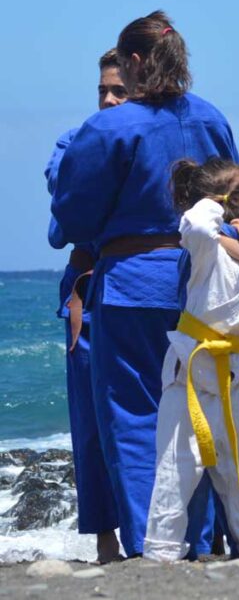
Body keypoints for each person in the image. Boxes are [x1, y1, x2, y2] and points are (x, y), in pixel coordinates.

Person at [50, 11, 239, 557]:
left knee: (135, 421)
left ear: (134, 64)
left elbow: (72, 219)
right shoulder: (211, 119)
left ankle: (151, 549)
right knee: (197, 414)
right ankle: (200, 544)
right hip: (199, 281)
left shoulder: (108, 128)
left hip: (131, 284)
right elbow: (235, 198)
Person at [144, 159, 239, 561]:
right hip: (190, 374)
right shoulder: (207, 251)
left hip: (234, 377)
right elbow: (194, 224)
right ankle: (161, 551)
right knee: (176, 468)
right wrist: (217, 202)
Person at [43, 48, 127, 563]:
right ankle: (105, 539)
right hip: (89, 292)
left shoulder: (159, 138)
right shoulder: (73, 143)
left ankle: (167, 534)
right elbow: (63, 223)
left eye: (120, 90)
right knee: (92, 422)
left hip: (142, 284)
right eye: (104, 91)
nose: (110, 99)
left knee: (155, 415)